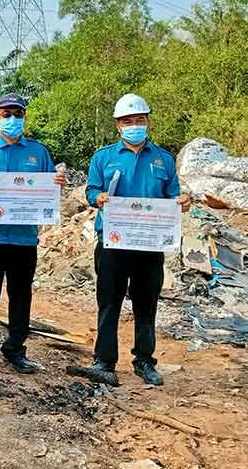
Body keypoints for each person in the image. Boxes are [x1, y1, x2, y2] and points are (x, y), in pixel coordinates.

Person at [83, 93, 190, 386]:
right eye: (127, 121)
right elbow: (91, 191)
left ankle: (144, 361)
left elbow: (173, 195)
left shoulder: (163, 159)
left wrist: (182, 200)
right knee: (109, 303)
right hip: (113, 243)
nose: (134, 125)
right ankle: (104, 361)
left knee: (146, 305)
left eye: (139, 120)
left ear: (148, 122)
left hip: (150, 244)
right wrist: (99, 197)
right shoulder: (103, 157)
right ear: (118, 126)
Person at [0, 94, 65, 375]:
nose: (12, 120)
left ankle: (15, 349)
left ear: (24, 118)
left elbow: (49, 193)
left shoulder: (38, 152)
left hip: (24, 238)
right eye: (6, 114)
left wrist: (56, 184)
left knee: (21, 295)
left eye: (17, 114)